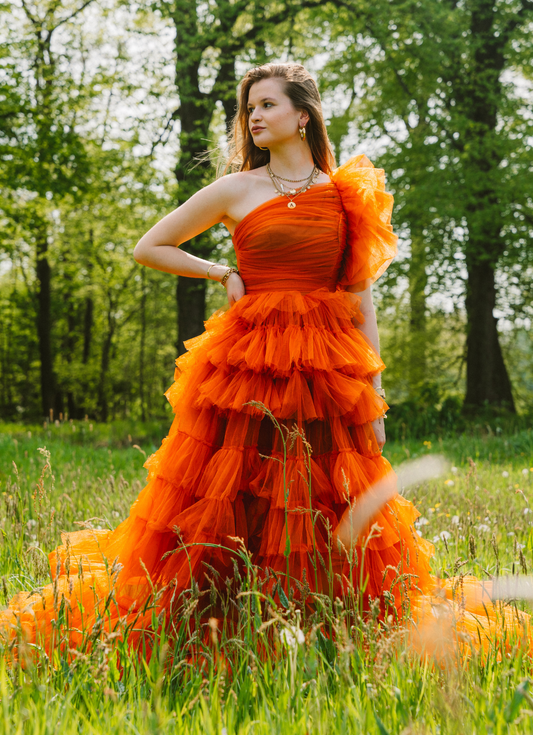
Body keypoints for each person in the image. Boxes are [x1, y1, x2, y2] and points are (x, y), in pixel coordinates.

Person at [0, 62, 529, 660]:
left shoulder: (346, 196)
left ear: (303, 115)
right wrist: (220, 270)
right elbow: (150, 246)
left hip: (327, 372)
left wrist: (374, 394)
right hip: (247, 365)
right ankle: (218, 619)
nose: (253, 115)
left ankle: (327, 630)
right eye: (248, 107)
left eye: (267, 104)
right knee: (233, 492)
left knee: (325, 497)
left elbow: (360, 301)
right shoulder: (236, 189)